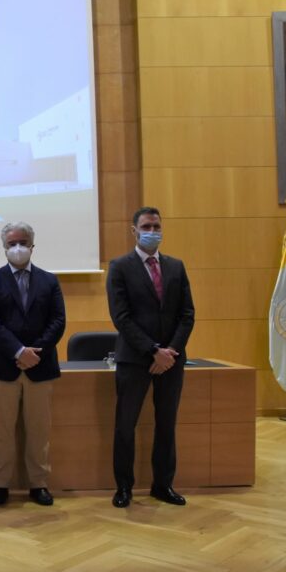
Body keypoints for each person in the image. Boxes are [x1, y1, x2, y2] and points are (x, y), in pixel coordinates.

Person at [106, 207, 194, 508]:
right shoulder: (119, 267)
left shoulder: (176, 267)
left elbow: (187, 314)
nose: (152, 231)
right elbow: (121, 317)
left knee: (166, 424)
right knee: (125, 426)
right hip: (134, 359)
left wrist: (170, 352)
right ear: (134, 230)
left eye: (156, 226)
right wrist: (153, 350)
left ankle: (163, 485)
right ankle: (124, 488)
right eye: (146, 226)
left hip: (171, 360)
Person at [0, 222, 66, 506]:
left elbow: (58, 320)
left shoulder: (49, 281)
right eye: (12, 243)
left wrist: (35, 351)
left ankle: (39, 484)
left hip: (41, 365)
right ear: (4, 247)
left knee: (39, 431)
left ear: (32, 245)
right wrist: (18, 351)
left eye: (23, 242)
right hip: (2, 366)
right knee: (1, 432)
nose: (18, 248)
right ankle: (0, 484)